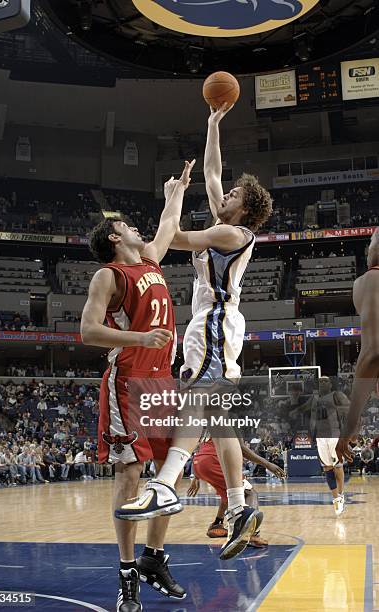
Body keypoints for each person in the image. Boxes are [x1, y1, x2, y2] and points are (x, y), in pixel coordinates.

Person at [116, 104, 273, 561]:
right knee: (218, 417)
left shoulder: (232, 234)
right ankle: (241, 508)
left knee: (196, 401)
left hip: (214, 325)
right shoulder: (231, 225)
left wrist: (173, 197)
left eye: (233, 194)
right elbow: (212, 172)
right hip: (221, 325)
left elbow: (174, 240)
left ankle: (165, 483)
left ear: (245, 206)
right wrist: (212, 124)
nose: (224, 195)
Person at [81, 161, 195, 612]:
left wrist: (176, 191)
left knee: (172, 474)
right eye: (125, 225)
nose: (134, 227)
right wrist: (140, 338)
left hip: (161, 382)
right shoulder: (108, 276)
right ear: (114, 237)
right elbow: (89, 331)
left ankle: (154, 559)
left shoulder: (149, 261)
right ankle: (127, 573)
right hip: (128, 381)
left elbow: (168, 225)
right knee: (129, 475)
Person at [187, 436, 285, 545]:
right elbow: (243, 449)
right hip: (213, 461)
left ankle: (217, 523)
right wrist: (267, 464)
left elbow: (201, 447)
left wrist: (196, 476)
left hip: (198, 462)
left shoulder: (214, 422)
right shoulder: (232, 422)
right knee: (250, 493)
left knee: (230, 493)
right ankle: (251, 534)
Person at [336, 228, 379, 463]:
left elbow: (373, 353)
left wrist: (350, 423)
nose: (368, 249)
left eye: (371, 242)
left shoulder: (370, 279)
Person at [311, 377, 350, 516]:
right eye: (320, 381)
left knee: (338, 466)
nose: (322, 383)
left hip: (335, 434)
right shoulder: (315, 399)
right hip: (321, 437)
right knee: (327, 468)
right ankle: (336, 500)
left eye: (325, 381)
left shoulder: (337, 395)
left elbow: (348, 408)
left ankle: (341, 494)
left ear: (330, 384)